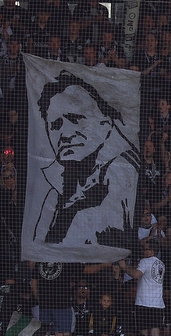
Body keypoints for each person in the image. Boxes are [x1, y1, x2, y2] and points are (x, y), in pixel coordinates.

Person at [30, 72, 139, 256]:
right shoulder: (55, 192)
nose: (65, 134)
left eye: (75, 119)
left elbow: (109, 233)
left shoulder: (122, 169)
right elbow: (37, 247)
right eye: (55, 125)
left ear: (105, 123)